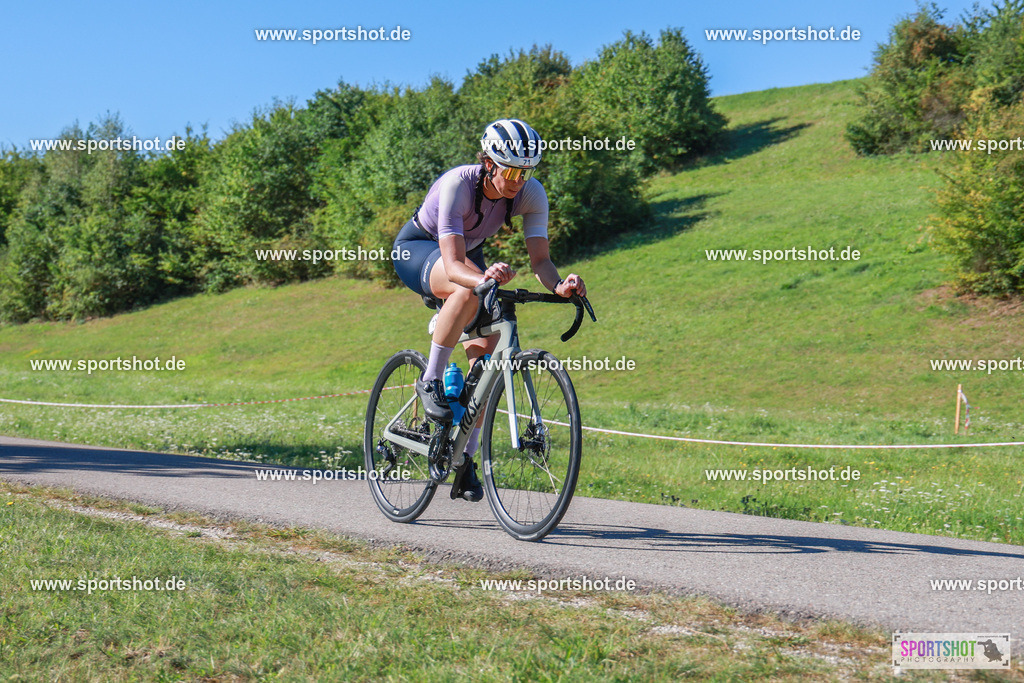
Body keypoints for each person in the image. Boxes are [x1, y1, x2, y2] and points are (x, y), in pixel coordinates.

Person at [392, 118, 586, 501]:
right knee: (466, 294)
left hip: (467, 252)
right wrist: (483, 278)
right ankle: (429, 378)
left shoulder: (531, 194)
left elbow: (541, 261)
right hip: (419, 247)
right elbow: (452, 264)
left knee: (486, 363)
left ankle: (464, 462)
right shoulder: (457, 185)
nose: (518, 180)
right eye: (511, 170)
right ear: (489, 163)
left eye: (526, 171)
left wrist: (560, 285)